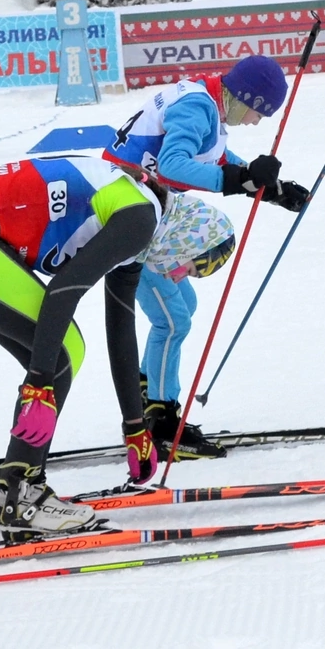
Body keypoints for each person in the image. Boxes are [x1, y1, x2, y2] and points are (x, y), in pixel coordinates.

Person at [0, 152, 163, 535]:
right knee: (61, 350)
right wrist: (39, 384)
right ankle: (22, 496)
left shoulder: (137, 224)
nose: (181, 274)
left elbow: (120, 329)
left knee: (60, 350)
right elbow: (63, 290)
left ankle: (18, 490)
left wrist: (134, 425)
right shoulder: (140, 218)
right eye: (199, 264)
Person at [107, 55, 313, 214]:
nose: (254, 123)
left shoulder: (206, 95)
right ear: (248, 98)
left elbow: (215, 156)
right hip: (123, 194)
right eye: (258, 115)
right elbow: (170, 166)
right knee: (218, 235)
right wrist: (240, 179)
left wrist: (267, 188)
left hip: (136, 190)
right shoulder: (197, 106)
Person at [131, 196, 237, 478]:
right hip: (143, 258)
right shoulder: (167, 249)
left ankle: (146, 388)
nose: (182, 277)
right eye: (190, 269)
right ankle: (161, 419)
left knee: (186, 305)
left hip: (157, 245)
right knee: (173, 324)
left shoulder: (182, 234)